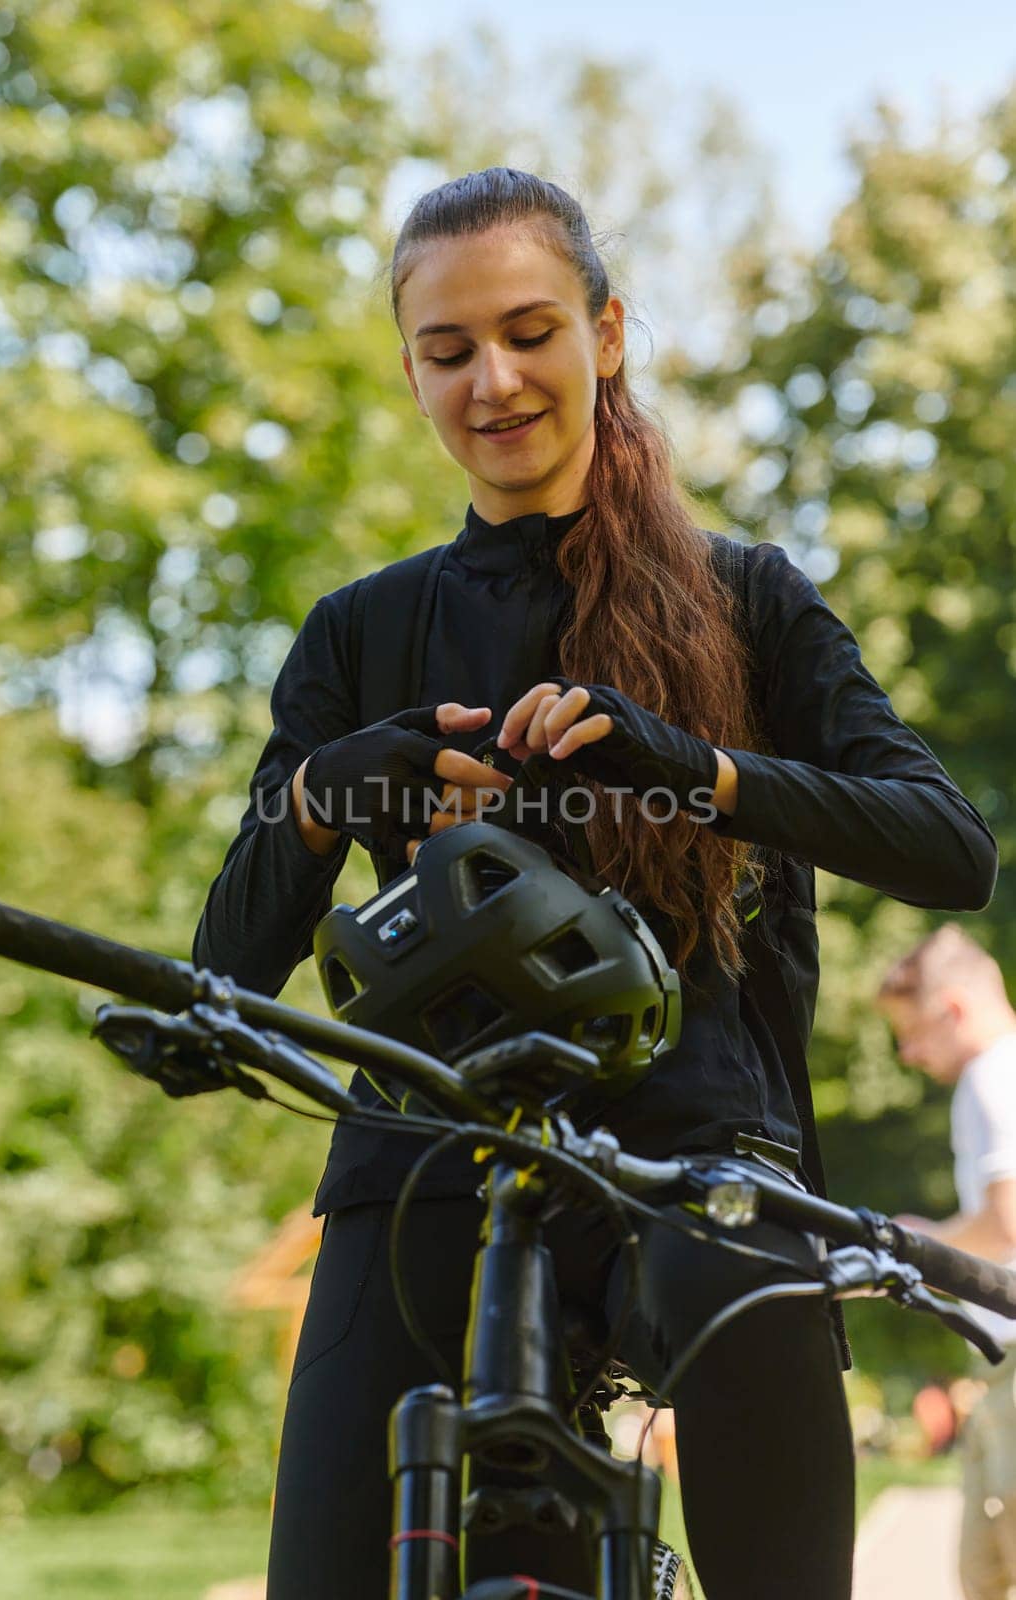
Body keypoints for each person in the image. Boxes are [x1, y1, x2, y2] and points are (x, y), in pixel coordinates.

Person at [193, 168, 998, 1599]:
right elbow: (224, 980)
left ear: (603, 334)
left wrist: (695, 768)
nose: (490, 381)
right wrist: (328, 795)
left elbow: (945, 847)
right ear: (411, 370)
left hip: (695, 1154)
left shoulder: (746, 597)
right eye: (446, 352)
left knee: (773, 1496)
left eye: (527, 332)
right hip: (425, 1157)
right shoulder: (358, 634)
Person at [877, 926, 1016, 1600]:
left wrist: (919, 1242)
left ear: (953, 1009)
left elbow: (1005, 1221)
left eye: (912, 1033)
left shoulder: (992, 1079)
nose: (907, 1054)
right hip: (998, 1374)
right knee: (984, 1572)